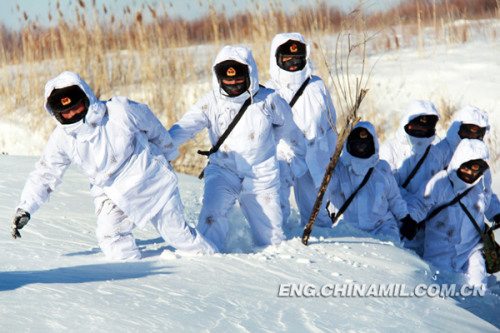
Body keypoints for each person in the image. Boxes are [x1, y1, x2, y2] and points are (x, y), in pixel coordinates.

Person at [10, 71, 217, 260]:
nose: (72, 114)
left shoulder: (119, 111)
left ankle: (213, 260)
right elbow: (46, 173)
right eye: (66, 112)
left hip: (150, 180)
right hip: (111, 194)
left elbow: (152, 127)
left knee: (178, 235)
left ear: (87, 98)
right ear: (56, 114)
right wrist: (26, 207)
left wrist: (167, 152)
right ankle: (132, 281)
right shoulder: (62, 139)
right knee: (110, 237)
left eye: (76, 107)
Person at [169, 45, 306, 250]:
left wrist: (266, 144)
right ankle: (207, 267)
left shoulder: (269, 99)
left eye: (238, 79)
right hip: (223, 171)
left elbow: (286, 124)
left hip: (262, 176)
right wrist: (158, 147)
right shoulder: (210, 102)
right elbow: (184, 128)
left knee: (272, 241)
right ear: (219, 78)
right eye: (228, 79)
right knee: (210, 220)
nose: (233, 83)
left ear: (249, 74)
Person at [265, 32, 337, 228]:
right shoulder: (268, 91)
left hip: (313, 156)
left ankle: (323, 245)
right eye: (287, 58)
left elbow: (331, 124)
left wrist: (331, 156)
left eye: (297, 58)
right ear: (277, 59)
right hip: (282, 156)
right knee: (276, 207)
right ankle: (276, 244)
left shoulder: (317, 85)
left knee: (316, 213)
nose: (292, 63)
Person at [408, 139, 498, 289]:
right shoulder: (441, 182)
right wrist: (411, 219)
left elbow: (490, 200)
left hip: (472, 252)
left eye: (476, 170)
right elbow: (420, 203)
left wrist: (497, 213)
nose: (471, 174)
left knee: (479, 291)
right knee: (443, 295)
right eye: (467, 168)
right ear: (458, 163)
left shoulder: (480, 187)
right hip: (439, 253)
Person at [325, 122, 416, 244]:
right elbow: (325, 193)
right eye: (357, 145)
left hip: (381, 229)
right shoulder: (339, 169)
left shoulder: (382, 168)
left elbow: (394, 198)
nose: (361, 148)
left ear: (373, 145)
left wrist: (405, 218)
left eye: (364, 145)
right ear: (349, 145)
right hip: (347, 231)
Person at [379, 100, 442, 255]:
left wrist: (415, 215)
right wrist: (409, 215)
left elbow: (436, 192)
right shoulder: (389, 149)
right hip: (394, 226)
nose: (421, 130)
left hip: (425, 230)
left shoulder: (436, 155)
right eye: (417, 126)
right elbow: (386, 188)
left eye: (425, 128)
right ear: (406, 124)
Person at [433, 105, 500, 229]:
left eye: (477, 134)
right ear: (457, 129)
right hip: (439, 224)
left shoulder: (479, 157)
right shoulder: (439, 153)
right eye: (467, 131)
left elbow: (483, 189)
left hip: (468, 225)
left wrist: (496, 212)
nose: (471, 137)